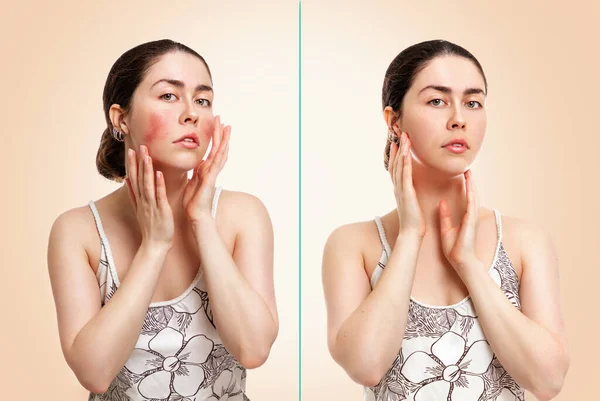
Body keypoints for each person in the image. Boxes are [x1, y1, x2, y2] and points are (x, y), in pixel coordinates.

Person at [322, 40, 569, 401]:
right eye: (437, 101)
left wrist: (468, 264)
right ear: (393, 121)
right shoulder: (353, 245)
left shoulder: (524, 241)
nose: (459, 118)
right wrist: (409, 236)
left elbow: (548, 382)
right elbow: (366, 366)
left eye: (473, 102)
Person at [47, 39, 278, 400]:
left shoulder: (242, 216)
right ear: (120, 118)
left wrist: (201, 218)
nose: (192, 113)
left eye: (203, 100)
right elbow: (94, 373)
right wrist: (154, 247)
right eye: (169, 96)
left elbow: (253, 349)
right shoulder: (77, 231)